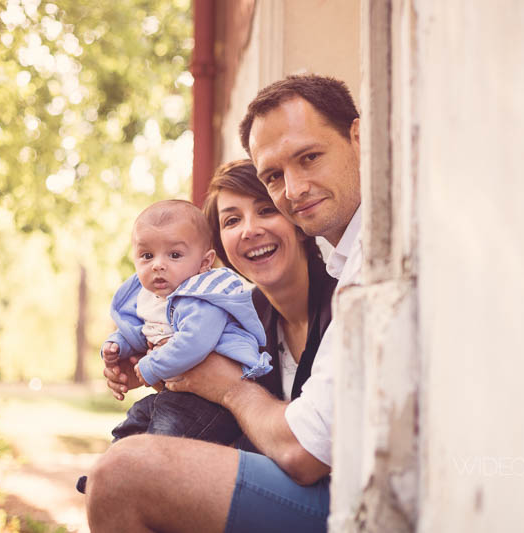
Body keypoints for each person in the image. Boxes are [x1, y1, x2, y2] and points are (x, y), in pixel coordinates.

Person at [85, 75, 362, 533]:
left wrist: (227, 386)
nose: (249, 229)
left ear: (295, 223)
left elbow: (300, 449)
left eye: (265, 210)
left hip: (340, 498)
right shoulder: (239, 320)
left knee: (125, 474)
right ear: (215, 254)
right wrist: (146, 365)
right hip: (288, 481)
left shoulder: (348, 289)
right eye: (231, 220)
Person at [103, 199, 272, 444]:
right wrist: (117, 345)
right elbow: (143, 331)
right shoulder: (154, 298)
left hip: (210, 405)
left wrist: (152, 366)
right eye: (147, 255)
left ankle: (130, 473)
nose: (158, 265)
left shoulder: (204, 296)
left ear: (205, 262)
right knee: (132, 424)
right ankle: (106, 476)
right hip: (177, 397)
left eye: (174, 255)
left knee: (161, 444)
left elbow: (194, 342)